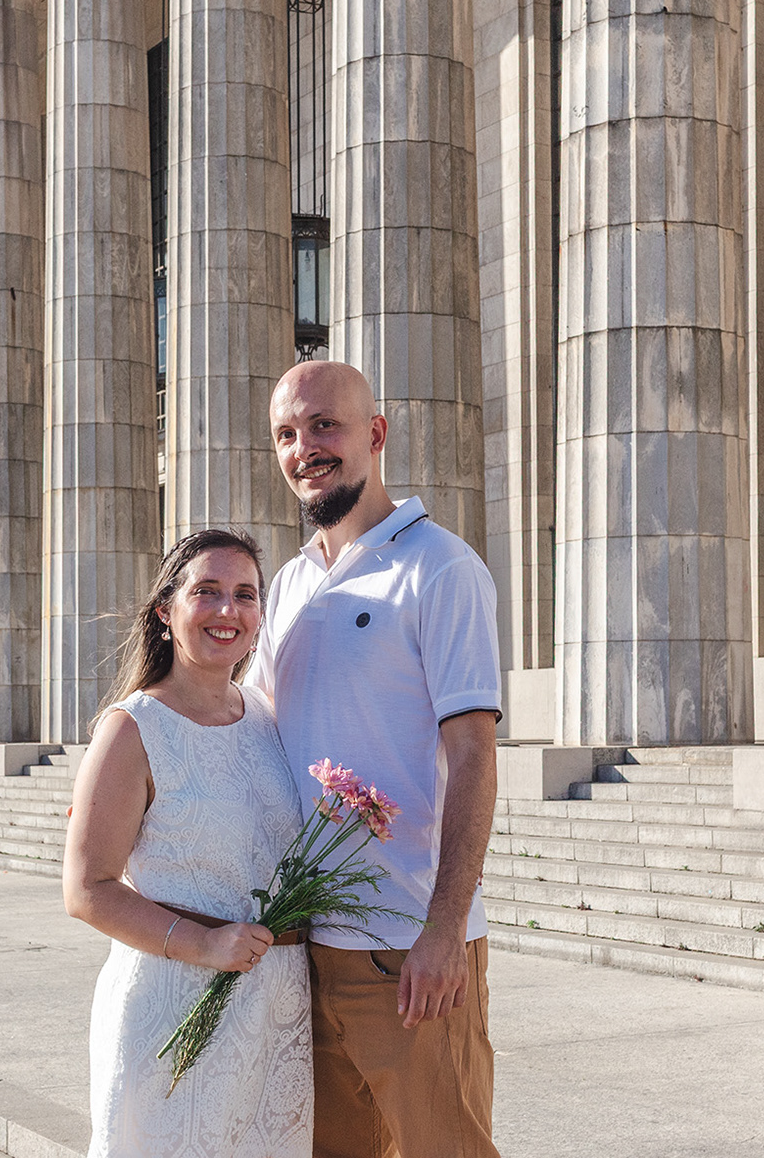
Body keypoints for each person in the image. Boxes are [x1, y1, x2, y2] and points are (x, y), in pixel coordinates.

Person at [251, 361, 503, 1158]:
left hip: (406, 947)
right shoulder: (287, 585)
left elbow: (474, 755)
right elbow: (250, 732)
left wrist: (444, 929)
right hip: (303, 946)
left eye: (324, 424)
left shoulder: (441, 567)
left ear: (376, 434)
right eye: (287, 434)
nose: (305, 447)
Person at [65, 528, 313, 1157]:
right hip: (173, 1007)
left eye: (245, 595)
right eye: (207, 591)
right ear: (165, 612)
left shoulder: (266, 717)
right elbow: (87, 889)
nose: (229, 609)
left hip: (276, 1013)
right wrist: (205, 944)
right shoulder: (132, 729)